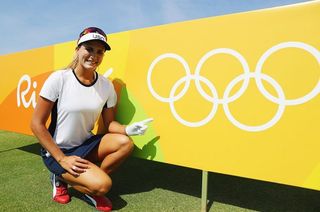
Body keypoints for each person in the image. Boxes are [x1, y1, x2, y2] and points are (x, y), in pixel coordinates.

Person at [30, 27, 153, 211]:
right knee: (104, 186)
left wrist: (127, 129)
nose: (94, 55)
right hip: (57, 150)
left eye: (100, 51)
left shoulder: (106, 85)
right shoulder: (59, 79)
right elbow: (36, 124)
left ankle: (89, 188)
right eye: (89, 48)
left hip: (86, 145)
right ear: (78, 49)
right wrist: (62, 159)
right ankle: (61, 177)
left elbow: (110, 123)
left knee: (125, 143)